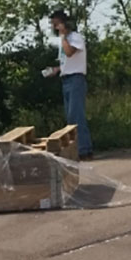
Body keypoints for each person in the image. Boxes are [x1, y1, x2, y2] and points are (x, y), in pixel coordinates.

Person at [46, 10, 93, 160]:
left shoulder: (74, 37)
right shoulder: (64, 40)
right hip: (66, 79)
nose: (55, 27)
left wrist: (64, 36)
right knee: (70, 117)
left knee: (76, 116)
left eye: (57, 24)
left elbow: (69, 53)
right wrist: (57, 69)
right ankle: (76, 149)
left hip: (76, 80)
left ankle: (84, 149)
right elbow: (67, 61)